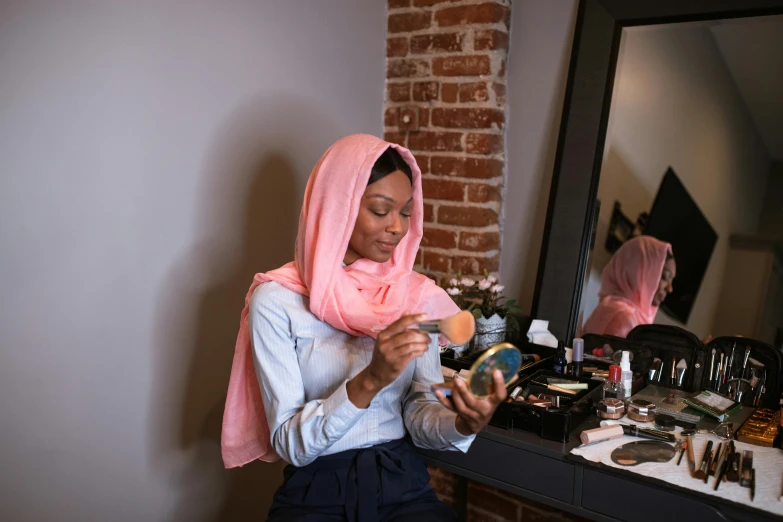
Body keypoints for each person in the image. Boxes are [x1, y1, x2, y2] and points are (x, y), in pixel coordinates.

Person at [221, 134, 507, 522]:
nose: (397, 228)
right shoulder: (276, 302)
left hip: (403, 486)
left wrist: (461, 423)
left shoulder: (411, 295)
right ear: (335, 209)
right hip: (316, 490)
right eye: (380, 209)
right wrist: (371, 378)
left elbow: (419, 413)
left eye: (406, 212)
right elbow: (292, 444)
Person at [582, 235, 675, 338]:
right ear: (639, 272)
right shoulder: (623, 319)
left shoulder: (613, 308)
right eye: (665, 277)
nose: (670, 288)